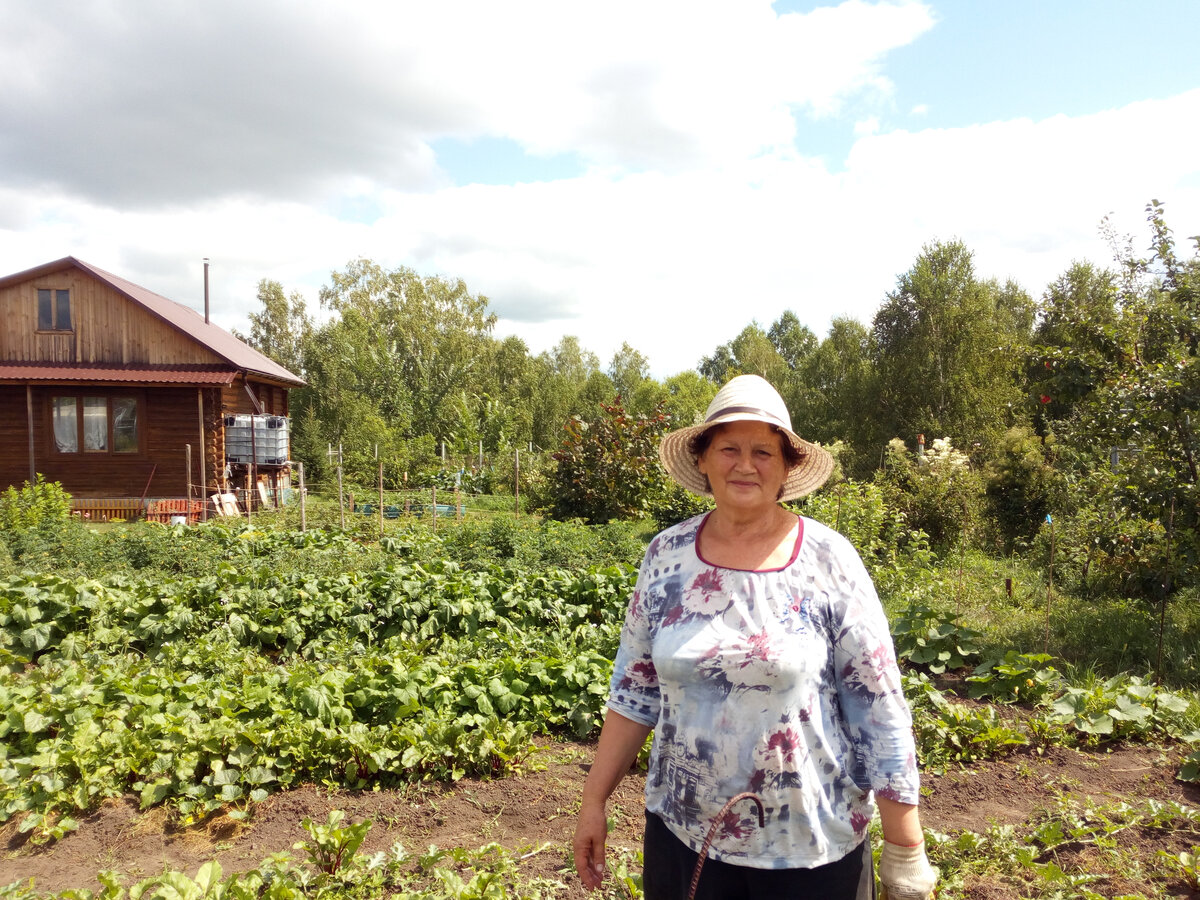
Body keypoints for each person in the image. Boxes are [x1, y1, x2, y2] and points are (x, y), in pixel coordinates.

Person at [572, 375, 937, 900]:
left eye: (764, 451)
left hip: (809, 851)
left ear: (788, 467)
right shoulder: (666, 557)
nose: (745, 465)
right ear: (702, 459)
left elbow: (877, 702)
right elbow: (634, 691)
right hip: (684, 840)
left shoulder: (829, 560)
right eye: (729, 448)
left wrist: (904, 848)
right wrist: (593, 802)